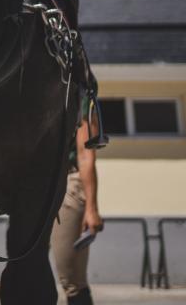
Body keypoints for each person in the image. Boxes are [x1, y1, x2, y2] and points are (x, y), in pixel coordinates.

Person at [51, 115, 104, 304]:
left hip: (69, 185)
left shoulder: (80, 91)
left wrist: (92, 208)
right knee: (27, 271)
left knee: (72, 278)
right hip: (37, 187)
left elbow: (85, 155)